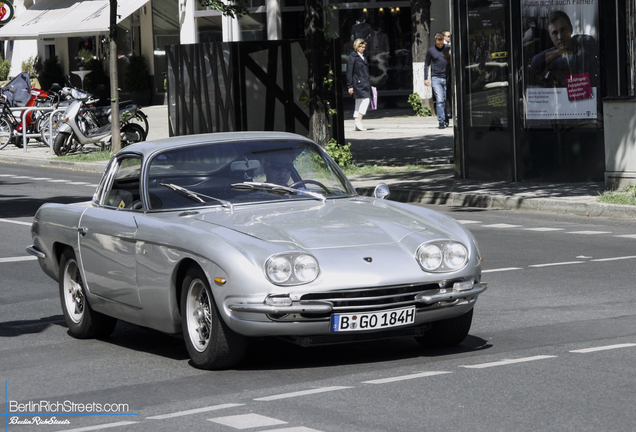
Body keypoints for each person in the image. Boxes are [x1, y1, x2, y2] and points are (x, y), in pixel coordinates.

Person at [530, 10, 599, 88]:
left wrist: (550, 65)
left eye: (563, 30)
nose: (560, 37)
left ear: (571, 30)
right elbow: (534, 65)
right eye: (555, 33)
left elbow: (579, 61)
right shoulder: (555, 51)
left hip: (590, 96)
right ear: (551, 38)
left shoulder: (586, 40)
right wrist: (559, 52)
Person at [347, 38, 372, 131]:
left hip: (365, 82)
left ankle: (356, 123)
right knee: (366, 100)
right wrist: (350, 86)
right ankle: (359, 120)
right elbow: (349, 72)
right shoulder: (353, 57)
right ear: (357, 47)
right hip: (358, 83)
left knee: (359, 102)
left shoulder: (363, 56)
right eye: (361, 47)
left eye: (364, 47)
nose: (363, 49)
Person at [424, 33, 448, 129]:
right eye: (438, 44)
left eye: (441, 44)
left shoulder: (447, 48)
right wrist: (426, 78)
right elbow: (427, 64)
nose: (440, 45)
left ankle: (446, 118)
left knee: (445, 100)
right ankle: (441, 121)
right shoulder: (431, 51)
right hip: (436, 78)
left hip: (447, 77)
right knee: (440, 100)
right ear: (435, 41)